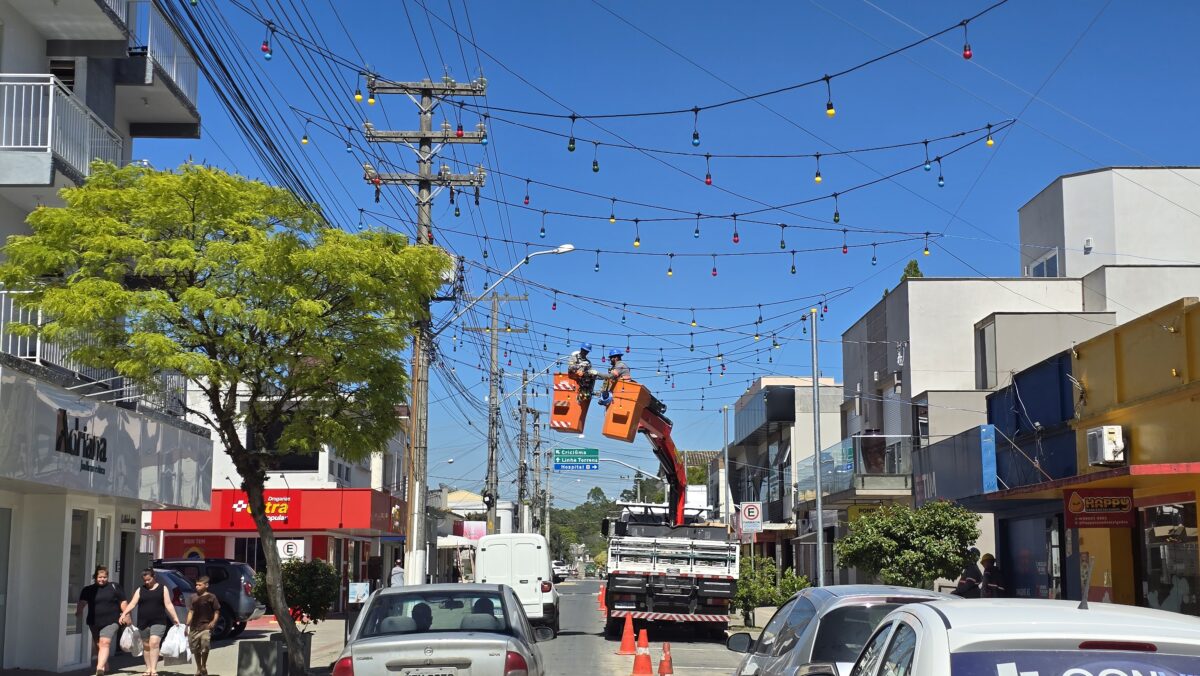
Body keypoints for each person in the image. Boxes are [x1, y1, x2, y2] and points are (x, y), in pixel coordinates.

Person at [120, 568, 182, 676]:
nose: (147, 582)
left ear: (154, 577)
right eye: (145, 580)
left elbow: (168, 604)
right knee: (146, 645)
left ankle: (154, 669)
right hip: (143, 621)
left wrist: (175, 618)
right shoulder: (140, 590)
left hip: (158, 620)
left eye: (148, 579)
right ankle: (148, 668)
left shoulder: (163, 589)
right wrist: (124, 613)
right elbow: (132, 603)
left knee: (154, 643)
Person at [76, 565, 128, 676]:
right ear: (95, 577)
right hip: (94, 621)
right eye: (100, 577)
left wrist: (125, 615)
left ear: (107, 577)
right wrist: (79, 611)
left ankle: (99, 669)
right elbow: (82, 602)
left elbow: (123, 602)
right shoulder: (88, 589)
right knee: (99, 645)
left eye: (104, 577)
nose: (102, 579)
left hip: (112, 620)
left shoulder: (115, 587)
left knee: (105, 642)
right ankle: (106, 666)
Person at [185, 576, 220, 676]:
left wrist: (213, 621)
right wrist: (186, 625)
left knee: (205, 646)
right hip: (194, 626)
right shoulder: (193, 597)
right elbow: (191, 611)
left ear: (206, 585)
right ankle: (199, 668)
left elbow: (216, 611)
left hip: (206, 626)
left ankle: (204, 665)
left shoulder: (211, 597)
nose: (197, 587)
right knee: (196, 649)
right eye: (196, 585)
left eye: (199, 585)